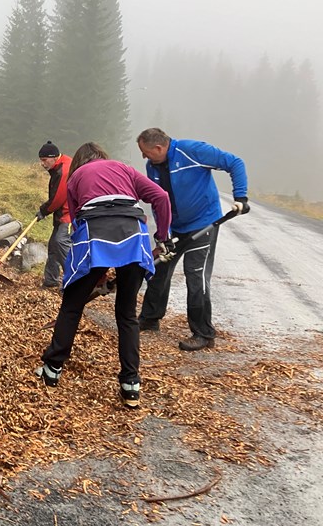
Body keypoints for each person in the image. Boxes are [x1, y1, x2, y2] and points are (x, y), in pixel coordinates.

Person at [37, 142, 172, 409]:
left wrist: (92, 277)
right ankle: (130, 385)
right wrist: (162, 236)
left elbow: (77, 224)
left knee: (72, 307)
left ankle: (52, 369)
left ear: (80, 161)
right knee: (127, 313)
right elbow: (162, 198)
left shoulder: (75, 177)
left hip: (94, 234)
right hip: (134, 237)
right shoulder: (125, 169)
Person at [136, 127, 249, 351]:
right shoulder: (153, 166)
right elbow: (159, 202)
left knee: (195, 275)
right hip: (175, 227)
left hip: (204, 224)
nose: (144, 156)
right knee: (159, 269)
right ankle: (150, 318)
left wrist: (241, 197)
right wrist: (163, 233)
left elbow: (235, 162)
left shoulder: (192, 151)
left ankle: (204, 333)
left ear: (159, 147)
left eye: (145, 151)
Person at [36, 140, 72, 288]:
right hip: (61, 213)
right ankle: (51, 281)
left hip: (70, 214)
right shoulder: (59, 166)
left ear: (54, 156)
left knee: (61, 242)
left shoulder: (64, 170)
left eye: (44, 160)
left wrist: (44, 210)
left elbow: (58, 197)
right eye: (41, 160)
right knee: (53, 246)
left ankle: (74, 281)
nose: (43, 164)